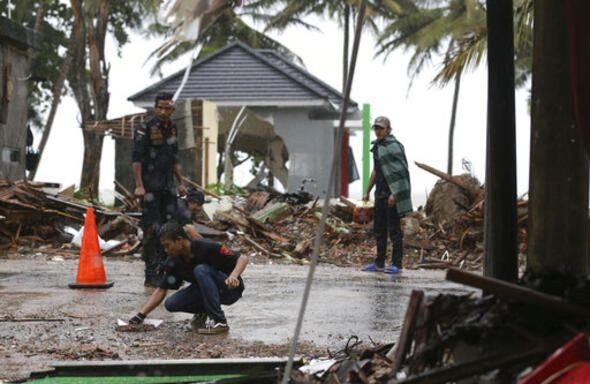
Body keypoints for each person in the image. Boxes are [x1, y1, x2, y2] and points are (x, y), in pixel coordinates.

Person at [128, 221, 247, 334]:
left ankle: (220, 322)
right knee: (171, 304)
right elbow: (161, 289)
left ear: (179, 240)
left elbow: (243, 258)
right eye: (164, 247)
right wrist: (141, 315)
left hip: (230, 289)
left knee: (201, 270)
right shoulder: (174, 261)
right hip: (207, 292)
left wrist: (233, 276)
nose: (166, 250)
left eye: (168, 246)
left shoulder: (206, 247)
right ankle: (203, 311)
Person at [132, 92, 188, 287]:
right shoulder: (145, 127)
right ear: (155, 108)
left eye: (167, 108)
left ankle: (167, 272)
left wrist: (181, 182)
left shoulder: (172, 128)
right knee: (152, 230)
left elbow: (174, 159)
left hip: (168, 187)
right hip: (149, 188)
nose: (163, 111)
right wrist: (139, 185)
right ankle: (150, 273)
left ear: (172, 109)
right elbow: (136, 159)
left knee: (170, 229)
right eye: (160, 107)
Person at [362, 116, 412, 274]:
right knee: (379, 229)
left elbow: (401, 172)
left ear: (388, 130)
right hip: (380, 193)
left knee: (394, 230)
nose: (378, 131)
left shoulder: (395, 147)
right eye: (376, 128)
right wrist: (367, 190)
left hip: (392, 194)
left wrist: (395, 194)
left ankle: (397, 264)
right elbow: (376, 171)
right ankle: (379, 262)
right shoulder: (377, 147)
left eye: (381, 128)